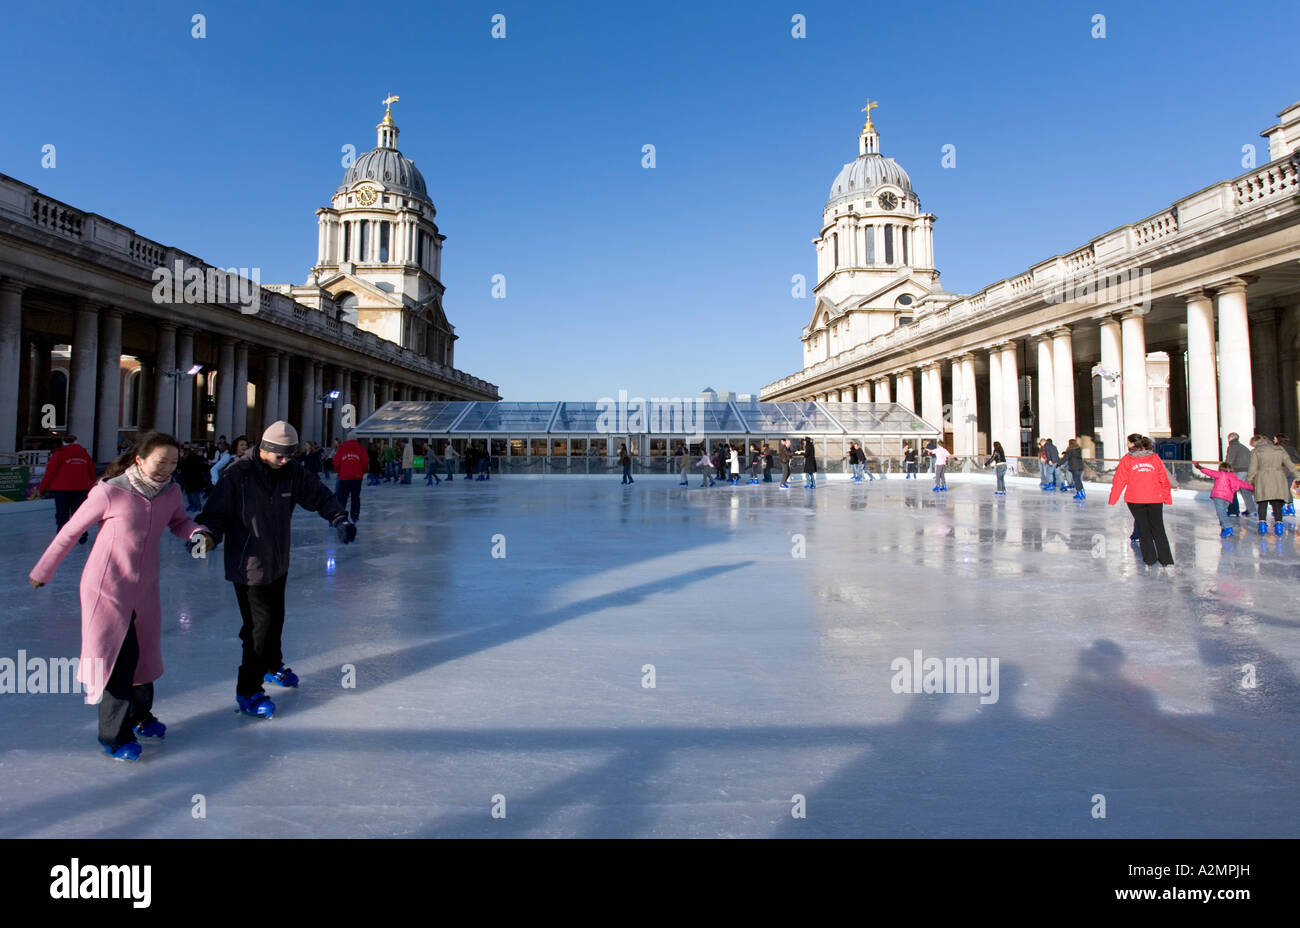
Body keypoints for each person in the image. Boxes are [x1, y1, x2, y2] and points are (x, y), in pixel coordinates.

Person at [28, 431, 211, 760]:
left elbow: (180, 522)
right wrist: (43, 571)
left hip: (146, 586)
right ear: (140, 459)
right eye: (160, 461)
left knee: (145, 655)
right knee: (116, 659)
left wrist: (198, 533)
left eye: (173, 462)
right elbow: (72, 531)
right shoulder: (111, 491)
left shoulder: (170, 491)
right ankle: (114, 735)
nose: (167, 468)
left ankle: (141, 716)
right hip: (106, 586)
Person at [196, 421, 356, 720]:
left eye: (290, 456)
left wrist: (339, 518)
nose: (285, 461)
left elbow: (318, 495)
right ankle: (248, 691)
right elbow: (216, 514)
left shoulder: (292, 472)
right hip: (248, 564)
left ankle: (272, 665)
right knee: (259, 628)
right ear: (264, 449)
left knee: (275, 619)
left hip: (278, 560)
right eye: (279, 456)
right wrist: (206, 536)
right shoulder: (237, 474)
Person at [1108, 435, 1174, 568]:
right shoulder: (1154, 458)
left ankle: (1150, 559)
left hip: (1136, 499)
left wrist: (1113, 499)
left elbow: (1119, 480)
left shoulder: (1128, 459)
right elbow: (1164, 479)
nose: (1126, 444)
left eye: (1128, 442)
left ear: (1133, 444)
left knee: (1144, 528)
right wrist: (1166, 497)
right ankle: (1165, 559)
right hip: (1154, 498)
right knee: (1158, 528)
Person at [36, 433, 96, 545]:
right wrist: (91, 485)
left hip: (62, 488)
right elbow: (91, 471)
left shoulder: (59, 454)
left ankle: (62, 536)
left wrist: (42, 488)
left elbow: (50, 472)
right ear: (76, 441)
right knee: (79, 512)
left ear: (63, 442)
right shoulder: (84, 454)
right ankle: (82, 535)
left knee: (62, 513)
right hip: (81, 487)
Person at [1247, 434, 1297, 536]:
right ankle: (1279, 527)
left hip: (1262, 478)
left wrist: (1249, 480)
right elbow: (1290, 464)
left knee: (1262, 503)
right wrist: (1298, 475)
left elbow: (1252, 468)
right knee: (1277, 503)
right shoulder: (1279, 449)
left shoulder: (1256, 452)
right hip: (1278, 478)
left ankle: (1262, 526)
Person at [1195, 461, 1254, 537]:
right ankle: (1224, 527)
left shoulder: (1220, 474)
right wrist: (1253, 487)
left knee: (1221, 513)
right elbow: (1243, 484)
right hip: (1228, 499)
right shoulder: (1233, 477)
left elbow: (1209, 472)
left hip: (1218, 497)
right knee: (1223, 513)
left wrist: (1199, 467)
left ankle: (1227, 528)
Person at [333, 431, 370, 522]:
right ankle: (355, 516)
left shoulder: (341, 448)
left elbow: (336, 462)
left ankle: (341, 516)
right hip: (357, 477)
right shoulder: (361, 448)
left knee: (342, 498)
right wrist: (361, 472)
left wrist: (340, 472)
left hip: (344, 477)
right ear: (356, 439)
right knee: (355, 497)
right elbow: (365, 462)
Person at [1223, 432, 1255, 519]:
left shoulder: (1232, 446)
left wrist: (1225, 470)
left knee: (1231, 489)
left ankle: (1233, 510)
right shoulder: (1243, 447)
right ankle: (1252, 510)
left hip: (1239, 470)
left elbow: (1230, 459)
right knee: (1245, 490)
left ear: (1230, 438)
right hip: (1247, 470)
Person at [178, 443, 210, 512]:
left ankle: (198, 507)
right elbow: (181, 467)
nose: (180, 453)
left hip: (194, 480)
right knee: (189, 494)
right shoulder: (183, 459)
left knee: (194, 494)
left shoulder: (191, 458)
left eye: (181, 452)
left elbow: (199, 467)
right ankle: (192, 505)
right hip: (187, 480)